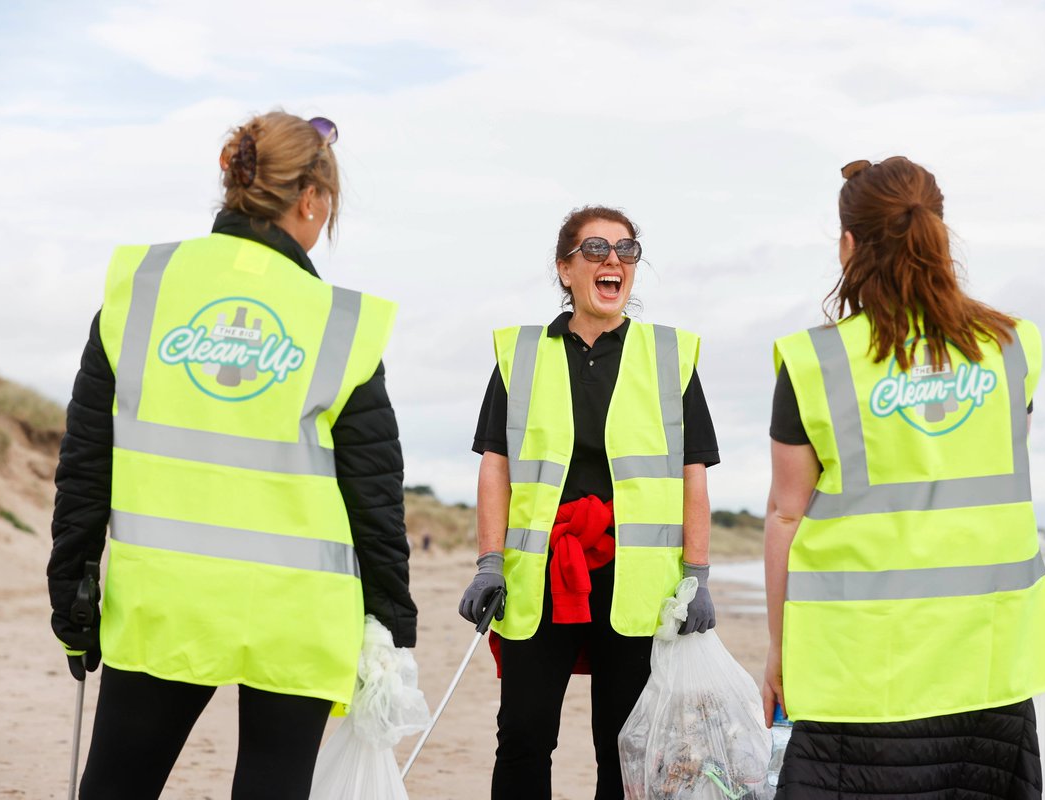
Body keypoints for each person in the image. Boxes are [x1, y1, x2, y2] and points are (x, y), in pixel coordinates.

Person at [46, 110, 416, 799]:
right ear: (310, 198)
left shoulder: (145, 286)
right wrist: (393, 619)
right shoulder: (338, 321)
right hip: (297, 611)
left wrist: (71, 581)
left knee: (117, 786)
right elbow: (373, 492)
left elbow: (89, 454)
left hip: (164, 597)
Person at [762, 156, 1045, 798]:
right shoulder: (1013, 346)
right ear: (938, 233)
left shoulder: (817, 361)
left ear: (848, 245)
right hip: (991, 660)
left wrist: (780, 652)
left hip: (857, 665)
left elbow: (788, 514)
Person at [459, 206, 721, 800]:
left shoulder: (670, 355)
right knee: (524, 733)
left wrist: (698, 575)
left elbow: (693, 473)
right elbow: (495, 466)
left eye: (627, 251)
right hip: (540, 573)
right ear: (565, 269)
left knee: (625, 742)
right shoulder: (519, 355)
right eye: (597, 249)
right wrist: (488, 561)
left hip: (636, 580)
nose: (614, 260)